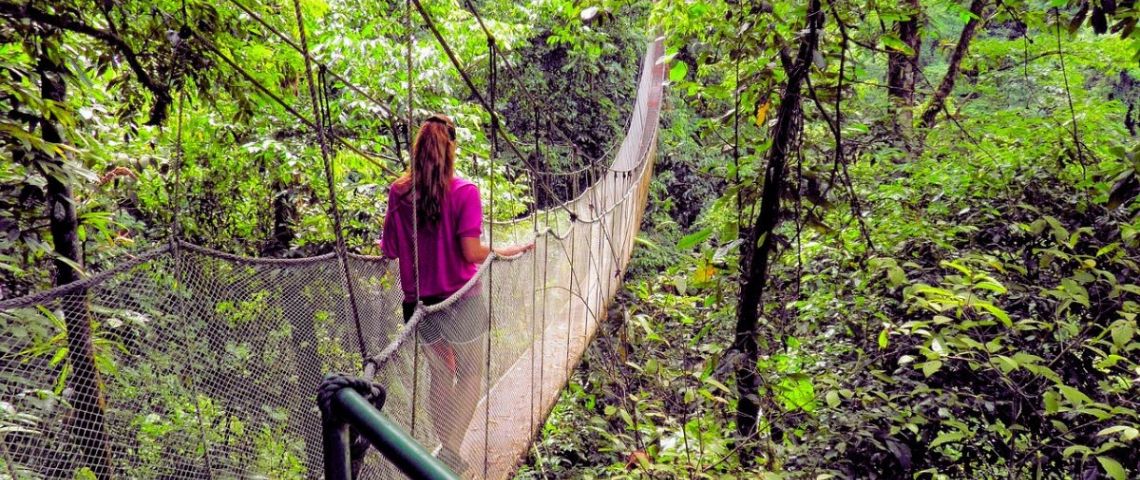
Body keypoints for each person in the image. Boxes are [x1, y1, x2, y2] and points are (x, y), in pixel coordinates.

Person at [378, 113, 532, 474]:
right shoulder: (465, 192)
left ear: (417, 150)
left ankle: (446, 450)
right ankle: (449, 451)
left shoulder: (399, 193)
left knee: (440, 375)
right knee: (471, 372)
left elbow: (389, 249)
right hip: (461, 300)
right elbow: (471, 252)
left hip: (420, 306)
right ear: (452, 149)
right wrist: (509, 249)